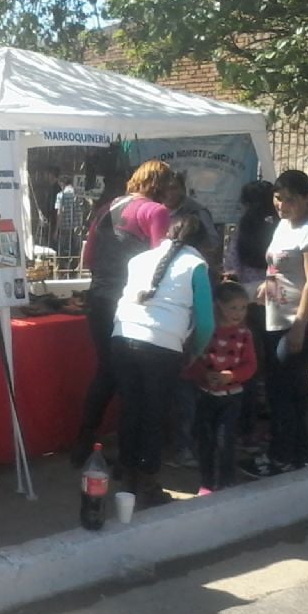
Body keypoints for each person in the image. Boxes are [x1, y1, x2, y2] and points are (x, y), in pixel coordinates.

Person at [70, 159, 173, 466]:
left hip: (99, 298)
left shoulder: (107, 208)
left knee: (108, 371)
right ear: (161, 185)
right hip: (132, 303)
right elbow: (160, 262)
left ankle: (84, 443)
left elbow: (88, 256)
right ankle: (131, 457)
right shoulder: (156, 211)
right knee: (133, 378)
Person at [112, 215, 215, 507]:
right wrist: (193, 353)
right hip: (163, 346)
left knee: (131, 409)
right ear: (201, 242)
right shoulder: (196, 265)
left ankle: (127, 477)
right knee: (154, 416)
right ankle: (148, 484)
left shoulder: (139, 260)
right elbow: (206, 323)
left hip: (122, 337)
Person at [241, 170, 308, 478]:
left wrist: (299, 325)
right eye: (278, 198)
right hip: (277, 317)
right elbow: (278, 269)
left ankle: (281, 456)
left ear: (307, 197)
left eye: (290, 200)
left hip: (306, 322)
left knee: (280, 389)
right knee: (291, 388)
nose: (282, 205)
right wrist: (265, 289)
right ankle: (299, 454)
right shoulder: (284, 225)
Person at [186, 281, 257, 495]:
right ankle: (207, 482)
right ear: (219, 306)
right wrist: (204, 374)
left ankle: (227, 481)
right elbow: (192, 360)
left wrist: (231, 376)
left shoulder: (244, 334)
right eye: (233, 307)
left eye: (243, 308)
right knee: (205, 440)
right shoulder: (206, 332)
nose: (238, 313)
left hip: (232, 396)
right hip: (205, 394)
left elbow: (250, 365)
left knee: (226, 439)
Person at [222, 179, 277, 448]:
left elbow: (231, 266)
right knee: (273, 365)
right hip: (275, 300)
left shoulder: (243, 228)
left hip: (247, 303)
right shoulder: (280, 227)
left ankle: (244, 429)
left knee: (247, 366)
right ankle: (272, 426)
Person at [163, 171, 221, 258]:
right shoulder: (156, 210)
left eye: (173, 188)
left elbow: (213, 243)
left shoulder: (198, 211)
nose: (168, 193)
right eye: (164, 189)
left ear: (183, 189)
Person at [53, 174, 87, 272]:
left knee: (62, 247)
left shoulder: (60, 195)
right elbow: (84, 209)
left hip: (64, 226)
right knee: (76, 248)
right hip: (77, 226)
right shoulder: (79, 195)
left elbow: (59, 213)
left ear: (62, 183)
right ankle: (76, 266)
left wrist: (56, 230)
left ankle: (63, 267)